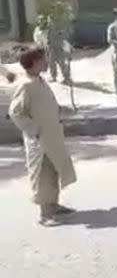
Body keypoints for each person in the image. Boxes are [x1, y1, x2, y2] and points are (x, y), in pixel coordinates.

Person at [8, 47, 77, 226]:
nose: (46, 62)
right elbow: (16, 113)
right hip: (40, 140)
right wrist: (34, 130)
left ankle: (53, 205)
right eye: (42, 60)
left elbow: (47, 106)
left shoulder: (40, 81)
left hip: (53, 136)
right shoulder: (26, 85)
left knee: (54, 172)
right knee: (43, 175)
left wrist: (62, 111)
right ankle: (45, 215)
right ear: (33, 63)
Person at [34, 14, 72, 85]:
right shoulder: (38, 29)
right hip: (48, 47)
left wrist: (66, 48)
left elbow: (62, 37)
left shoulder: (52, 28)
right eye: (40, 20)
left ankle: (66, 77)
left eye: (43, 20)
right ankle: (53, 76)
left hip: (56, 47)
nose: (42, 21)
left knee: (61, 62)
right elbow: (37, 39)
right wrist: (41, 46)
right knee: (51, 63)